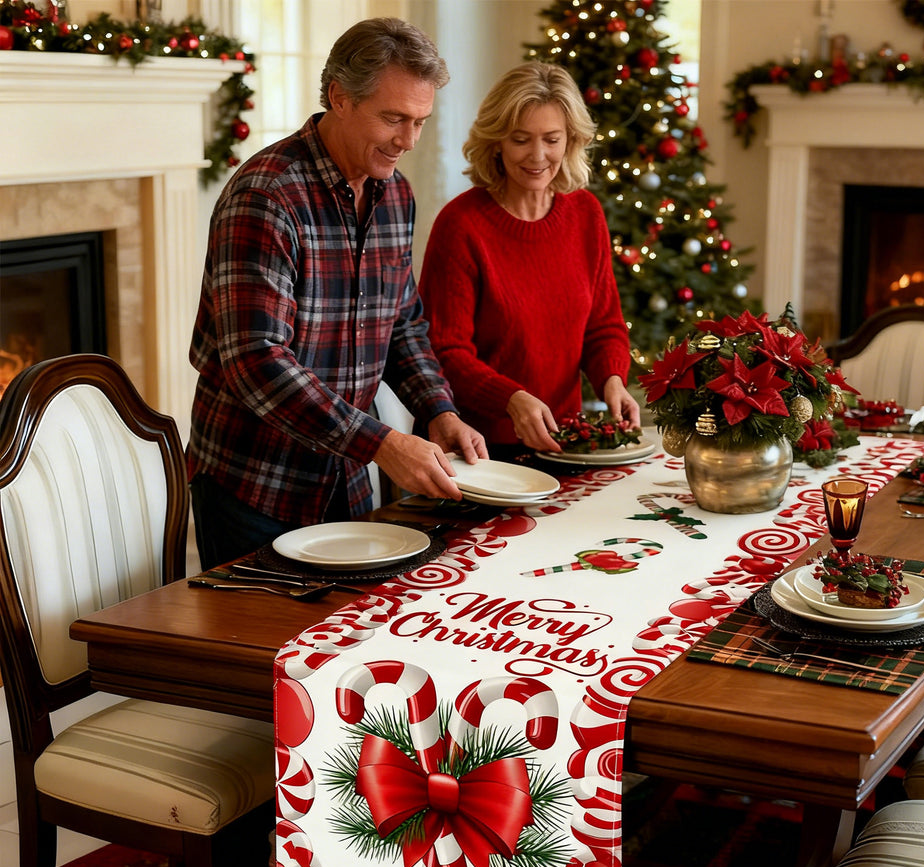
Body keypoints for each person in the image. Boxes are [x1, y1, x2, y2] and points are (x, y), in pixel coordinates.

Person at [187, 18, 487, 569]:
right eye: (393, 118)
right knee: (255, 654)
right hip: (254, 487)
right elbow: (256, 361)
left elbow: (404, 324)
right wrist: (381, 444)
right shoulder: (266, 196)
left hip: (345, 480)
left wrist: (438, 410)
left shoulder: (395, 194)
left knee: (344, 643)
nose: (408, 140)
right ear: (339, 98)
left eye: (420, 120)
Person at [418, 62, 640, 456]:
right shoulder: (461, 225)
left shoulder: (585, 214)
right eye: (521, 139)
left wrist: (612, 380)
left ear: (571, 140)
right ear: (496, 141)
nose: (538, 156)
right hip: (475, 450)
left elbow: (603, 325)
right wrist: (511, 398)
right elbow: (443, 351)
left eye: (551, 139)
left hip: (562, 443)